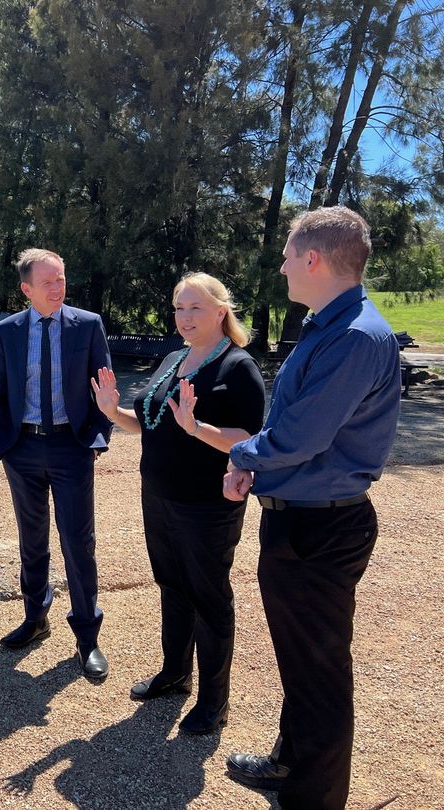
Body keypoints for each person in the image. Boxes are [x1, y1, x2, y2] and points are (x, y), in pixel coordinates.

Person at [223, 207, 401, 809]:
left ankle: (313, 800)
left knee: (319, 675)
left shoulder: (352, 336)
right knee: (303, 662)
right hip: (304, 520)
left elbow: (298, 437)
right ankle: (288, 763)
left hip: (318, 527)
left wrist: (243, 455)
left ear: (314, 260)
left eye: (287, 255)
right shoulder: (332, 325)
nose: (281, 266)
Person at [90, 272, 265, 735]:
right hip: (160, 496)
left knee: (209, 597)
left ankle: (214, 702)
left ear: (220, 312)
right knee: (171, 585)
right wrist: (112, 412)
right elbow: (149, 423)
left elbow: (248, 440)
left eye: (196, 308)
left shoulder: (237, 367)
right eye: (178, 308)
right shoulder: (174, 358)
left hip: (207, 504)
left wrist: (198, 430)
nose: (185, 318)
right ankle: (175, 674)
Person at [0, 248, 113, 680]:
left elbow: (104, 387)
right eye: (47, 282)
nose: (58, 288)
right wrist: (3, 444)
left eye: (61, 279)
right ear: (26, 289)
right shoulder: (7, 332)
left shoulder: (88, 325)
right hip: (23, 449)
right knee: (32, 539)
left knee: (79, 542)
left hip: (69, 447)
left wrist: (95, 439)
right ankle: (36, 617)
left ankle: (87, 637)